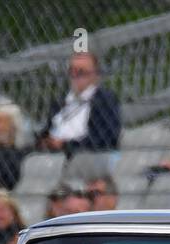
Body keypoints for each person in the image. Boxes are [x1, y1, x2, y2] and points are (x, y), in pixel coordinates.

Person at [35, 51, 121, 180]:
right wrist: (44, 140)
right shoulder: (60, 101)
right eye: (72, 70)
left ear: (95, 74)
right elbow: (46, 130)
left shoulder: (105, 99)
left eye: (82, 71)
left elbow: (106, 137)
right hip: (52, 152)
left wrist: (65, 145)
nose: (76, 75)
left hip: (82, 154)